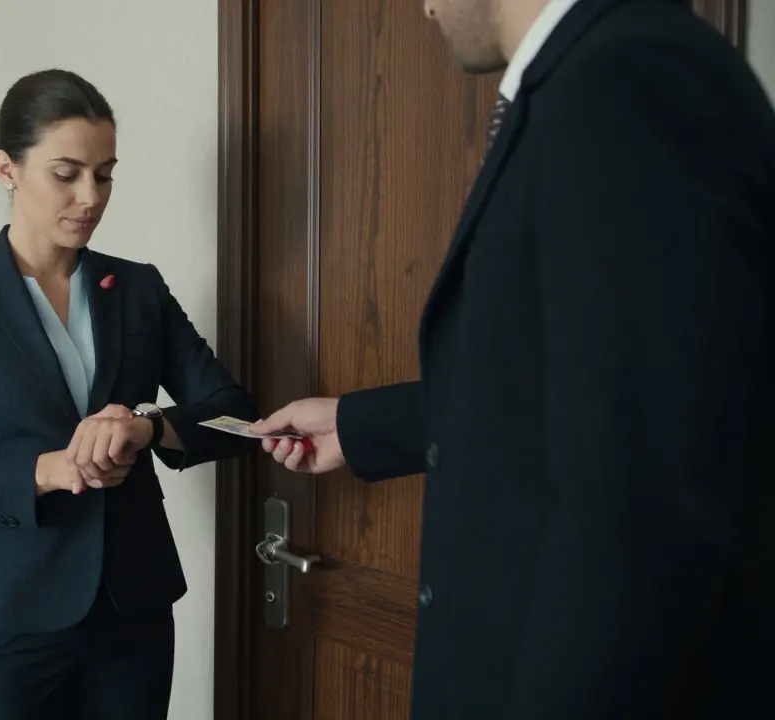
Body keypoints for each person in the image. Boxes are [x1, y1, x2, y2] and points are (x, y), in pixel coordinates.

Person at [252, 0, 774, 717]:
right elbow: (563, 387)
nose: (426, 6)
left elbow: (641, 502)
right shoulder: (590, 79)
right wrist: (356, 424)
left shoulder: (631, 82)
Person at [0, 68, 259, 720]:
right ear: (7, 168)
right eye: (67, 173)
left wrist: (148, 427)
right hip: (6, 619)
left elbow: (238, 417)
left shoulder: (138, 289)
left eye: (105, 173)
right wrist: (48, 471)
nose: (90, 196)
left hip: (132, 615)